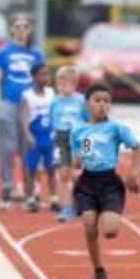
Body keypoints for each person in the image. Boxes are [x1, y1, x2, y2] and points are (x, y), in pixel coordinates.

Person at [70, 82, 140, 279]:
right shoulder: (79, 130)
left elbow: (138, 149)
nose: (102, 105)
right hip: (87, 182)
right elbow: (80, 155)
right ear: (87, 104)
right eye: (97, 101)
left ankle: (106, 212)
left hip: (109, 182)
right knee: (89, 227)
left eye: (106, 101)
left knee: (110, 231)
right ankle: (99, 271)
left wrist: (133, 172)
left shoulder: (116, 128)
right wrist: (77, 160)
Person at [0, 13, 45, 209]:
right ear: (12, 29)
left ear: (29, 30)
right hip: (8, 102)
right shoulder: (3, 53)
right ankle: (7, 188)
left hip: (29, 105)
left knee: (28, 148)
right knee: (7, 148)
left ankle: (30, 190)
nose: (21, 29)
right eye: (18, 26)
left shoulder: (36, 54)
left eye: (25, 26)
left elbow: (41, 79)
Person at [50, 66, 88, 221]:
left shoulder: (81, 101)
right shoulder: (55, 101)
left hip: (79, 138)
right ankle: (66, 207)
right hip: (61, 137)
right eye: (59, 84)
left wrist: (86, 147)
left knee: (77, 174)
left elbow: (88, 122)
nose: (61, 88)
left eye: (64, 84)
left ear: (74, 84)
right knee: (63, 174)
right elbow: (53, 121)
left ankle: (80, 201)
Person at [20, 64, 59, 212]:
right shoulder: (27, 95)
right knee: (31, 169)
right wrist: (27, 134)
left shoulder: (51, 93)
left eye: (48, 74)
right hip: (34, 137)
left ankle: (54, 198)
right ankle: (30, 198)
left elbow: (55, 112)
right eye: (43, 75)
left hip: (49, 137)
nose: (46, 78)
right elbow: (23, 117)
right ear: (34, 77)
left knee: (51, 168)